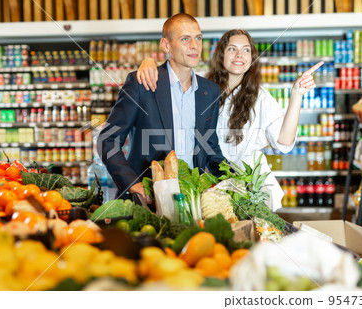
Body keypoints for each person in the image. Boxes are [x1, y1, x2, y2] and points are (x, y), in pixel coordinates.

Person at [136, 29, 323, 210]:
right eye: (232, 49)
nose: (239, 55)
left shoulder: (261, 97)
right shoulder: (199, 87)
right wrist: (149, 63)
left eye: (246, 50)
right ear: (221, 55)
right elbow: (171, 77)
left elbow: (284, 141)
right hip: (208, 185)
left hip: (248, 189)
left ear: (252, 58)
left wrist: (296, 94)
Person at [98, 13, 227, 205]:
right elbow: (107, 140)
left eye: (198, 38)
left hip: (190, 202)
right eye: (185, 39)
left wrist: (234, 181)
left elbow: (211, 149)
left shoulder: (210, 91)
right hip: (146, 202)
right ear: (166, 45)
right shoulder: (142, 83)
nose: (194, 46)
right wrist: (133, 185)